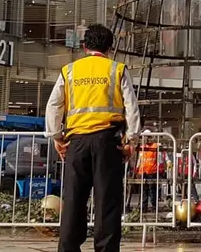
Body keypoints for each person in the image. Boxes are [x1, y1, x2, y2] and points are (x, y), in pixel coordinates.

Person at [45, 23, 141, 252]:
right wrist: (131, 141)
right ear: (110, 47)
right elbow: (131, 107)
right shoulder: (117, 69)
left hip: (76, 143)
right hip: (107, 142)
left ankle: (68, 248)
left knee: (73, 201)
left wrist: (57, 138)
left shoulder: (69, 71)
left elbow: (53, 106)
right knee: (107, 202)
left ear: (84, 46)